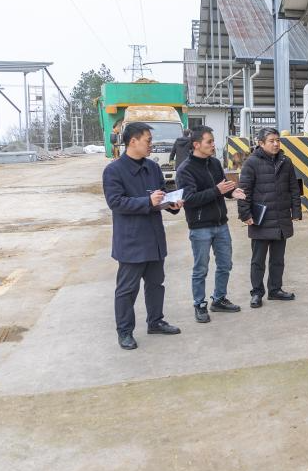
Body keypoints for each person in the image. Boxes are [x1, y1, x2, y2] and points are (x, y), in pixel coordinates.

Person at [102, 121, 183, 350]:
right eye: (148, 140)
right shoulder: (114, 170)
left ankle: (155, 322)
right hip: (131, 240)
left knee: (156, 284)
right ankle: (125, 332)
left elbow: (161, 194)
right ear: (133, 141)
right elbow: (116, 202)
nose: (151, 145)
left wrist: (171, 204)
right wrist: (147, 201)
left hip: (154, 237)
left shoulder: (152, 167)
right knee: (127, 290)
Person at [175, 125, 243, 323]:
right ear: (196, 144)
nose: (213, 145)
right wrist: (217, 191)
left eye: (213, 141)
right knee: (201, 268)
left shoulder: (214, 163)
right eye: (209, 142)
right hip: (200, 227)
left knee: (225, 264)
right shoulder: (185, 170)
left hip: (221, 224)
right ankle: (199, 304)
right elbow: (189, 199)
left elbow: (223, 187)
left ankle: (219, 299)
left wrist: (232, 192)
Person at [237, 127, 301, 308]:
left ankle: (275, 289)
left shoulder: (285, 161)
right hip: (261, 219)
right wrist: (245, 214)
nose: (276, 144)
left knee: (277, 259)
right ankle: (257, 293)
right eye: (271, 141)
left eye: (278, 140)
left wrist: (296, 211)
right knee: (258, 260)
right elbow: (244, 191)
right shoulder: (251, 163)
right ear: (261, 143)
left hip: (281, 218)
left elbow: (294, 188)